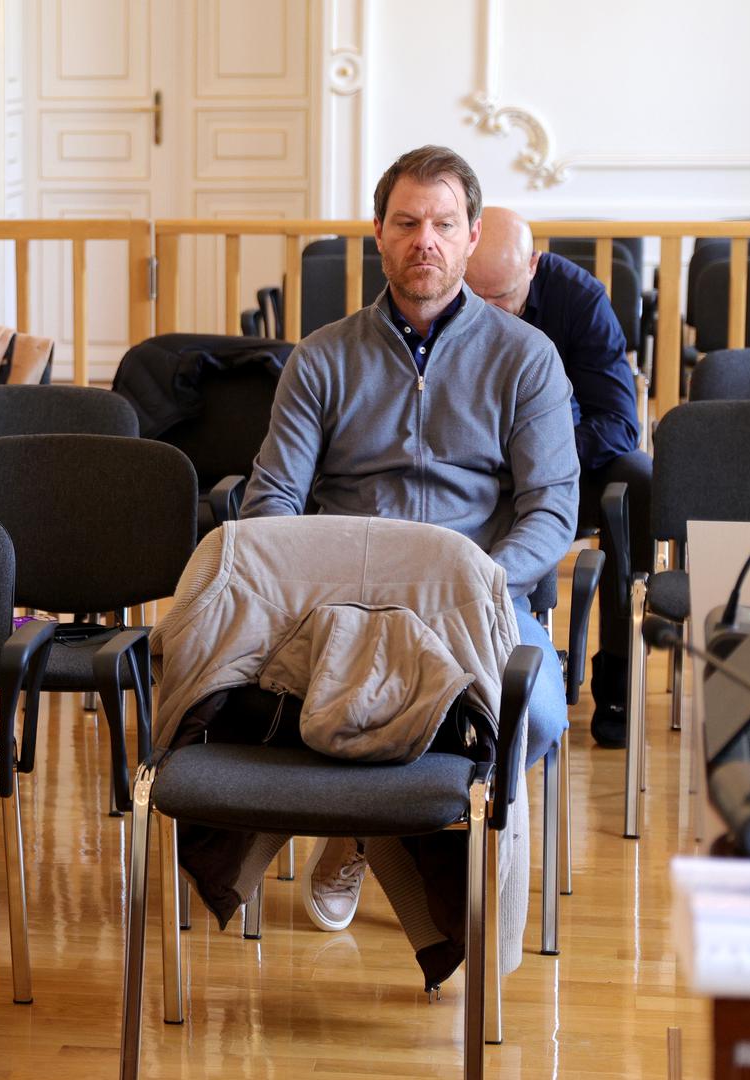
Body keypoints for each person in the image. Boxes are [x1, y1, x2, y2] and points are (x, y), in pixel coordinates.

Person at [239, 145, 578, 935]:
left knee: (542, 716)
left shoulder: (527, 360)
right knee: (256, 699)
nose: (425, 238)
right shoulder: (322, 357)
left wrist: (481, 582)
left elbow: (551, 512)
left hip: (476, 594)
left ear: (469, 237)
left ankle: (368, 832)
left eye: (444, 223)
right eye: (407, 222)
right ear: (379, 234)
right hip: (343, 598)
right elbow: (273, 501)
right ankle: (376, 828)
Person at [466, 207, 650, 749]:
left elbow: (618, 422)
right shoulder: (446, 299)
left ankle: (615, 673)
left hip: (567, 463)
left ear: (533, 266)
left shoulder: (580, 299)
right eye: (474, 294)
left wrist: (541, 454)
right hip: (473, 467)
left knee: (639, 479)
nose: (485, 311)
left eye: (500, 298)